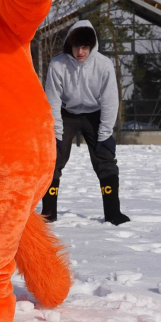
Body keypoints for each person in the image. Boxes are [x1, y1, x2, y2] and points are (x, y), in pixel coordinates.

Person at [41, 19, 131, 225]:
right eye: (76, 47)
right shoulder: (58, 64)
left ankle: (113, 212)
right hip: (67, 113)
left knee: (105, 158)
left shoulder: (103, 65)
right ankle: (48, 212)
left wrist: (105, 133)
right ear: (69, 46)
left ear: (91, 46)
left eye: (84, 47)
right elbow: (52, 99)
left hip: (94, 114)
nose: (80, 52)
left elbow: (110, 100)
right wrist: (56, 132)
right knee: (53, 157)